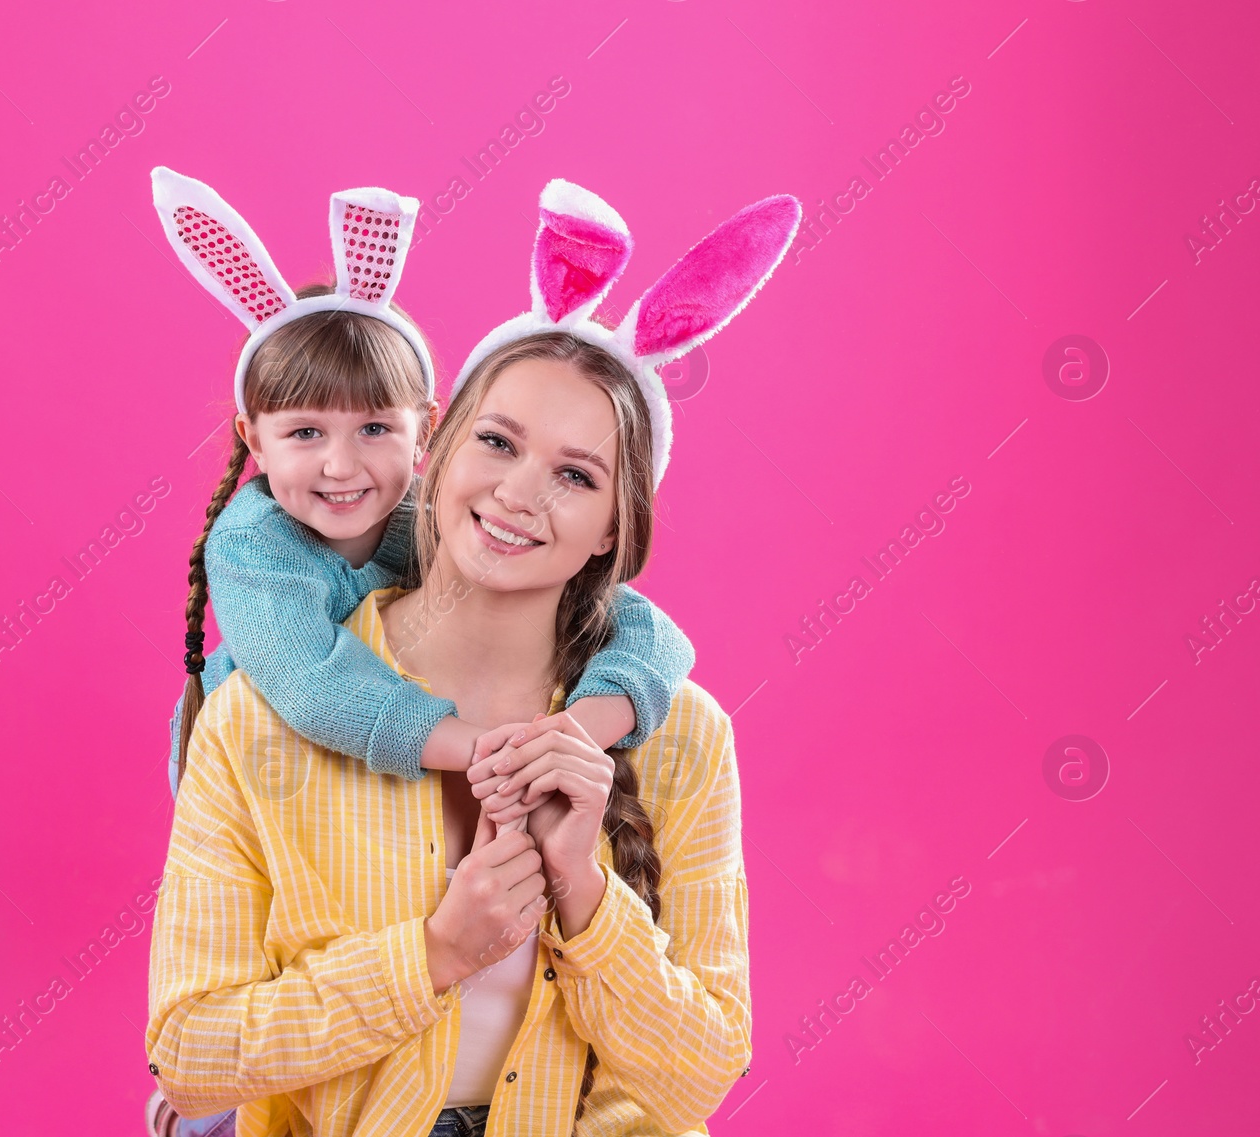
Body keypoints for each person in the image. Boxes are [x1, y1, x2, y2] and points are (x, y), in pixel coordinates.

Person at [146, 178, 799, 1136]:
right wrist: (432, 955)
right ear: (441, 450)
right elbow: (191, 1061)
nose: (520, 493)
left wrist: (584, 893)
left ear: (617, 527)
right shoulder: (262, 712)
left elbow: (699, 1076)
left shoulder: (684, 735)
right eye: (497, 442)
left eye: (576, 474)